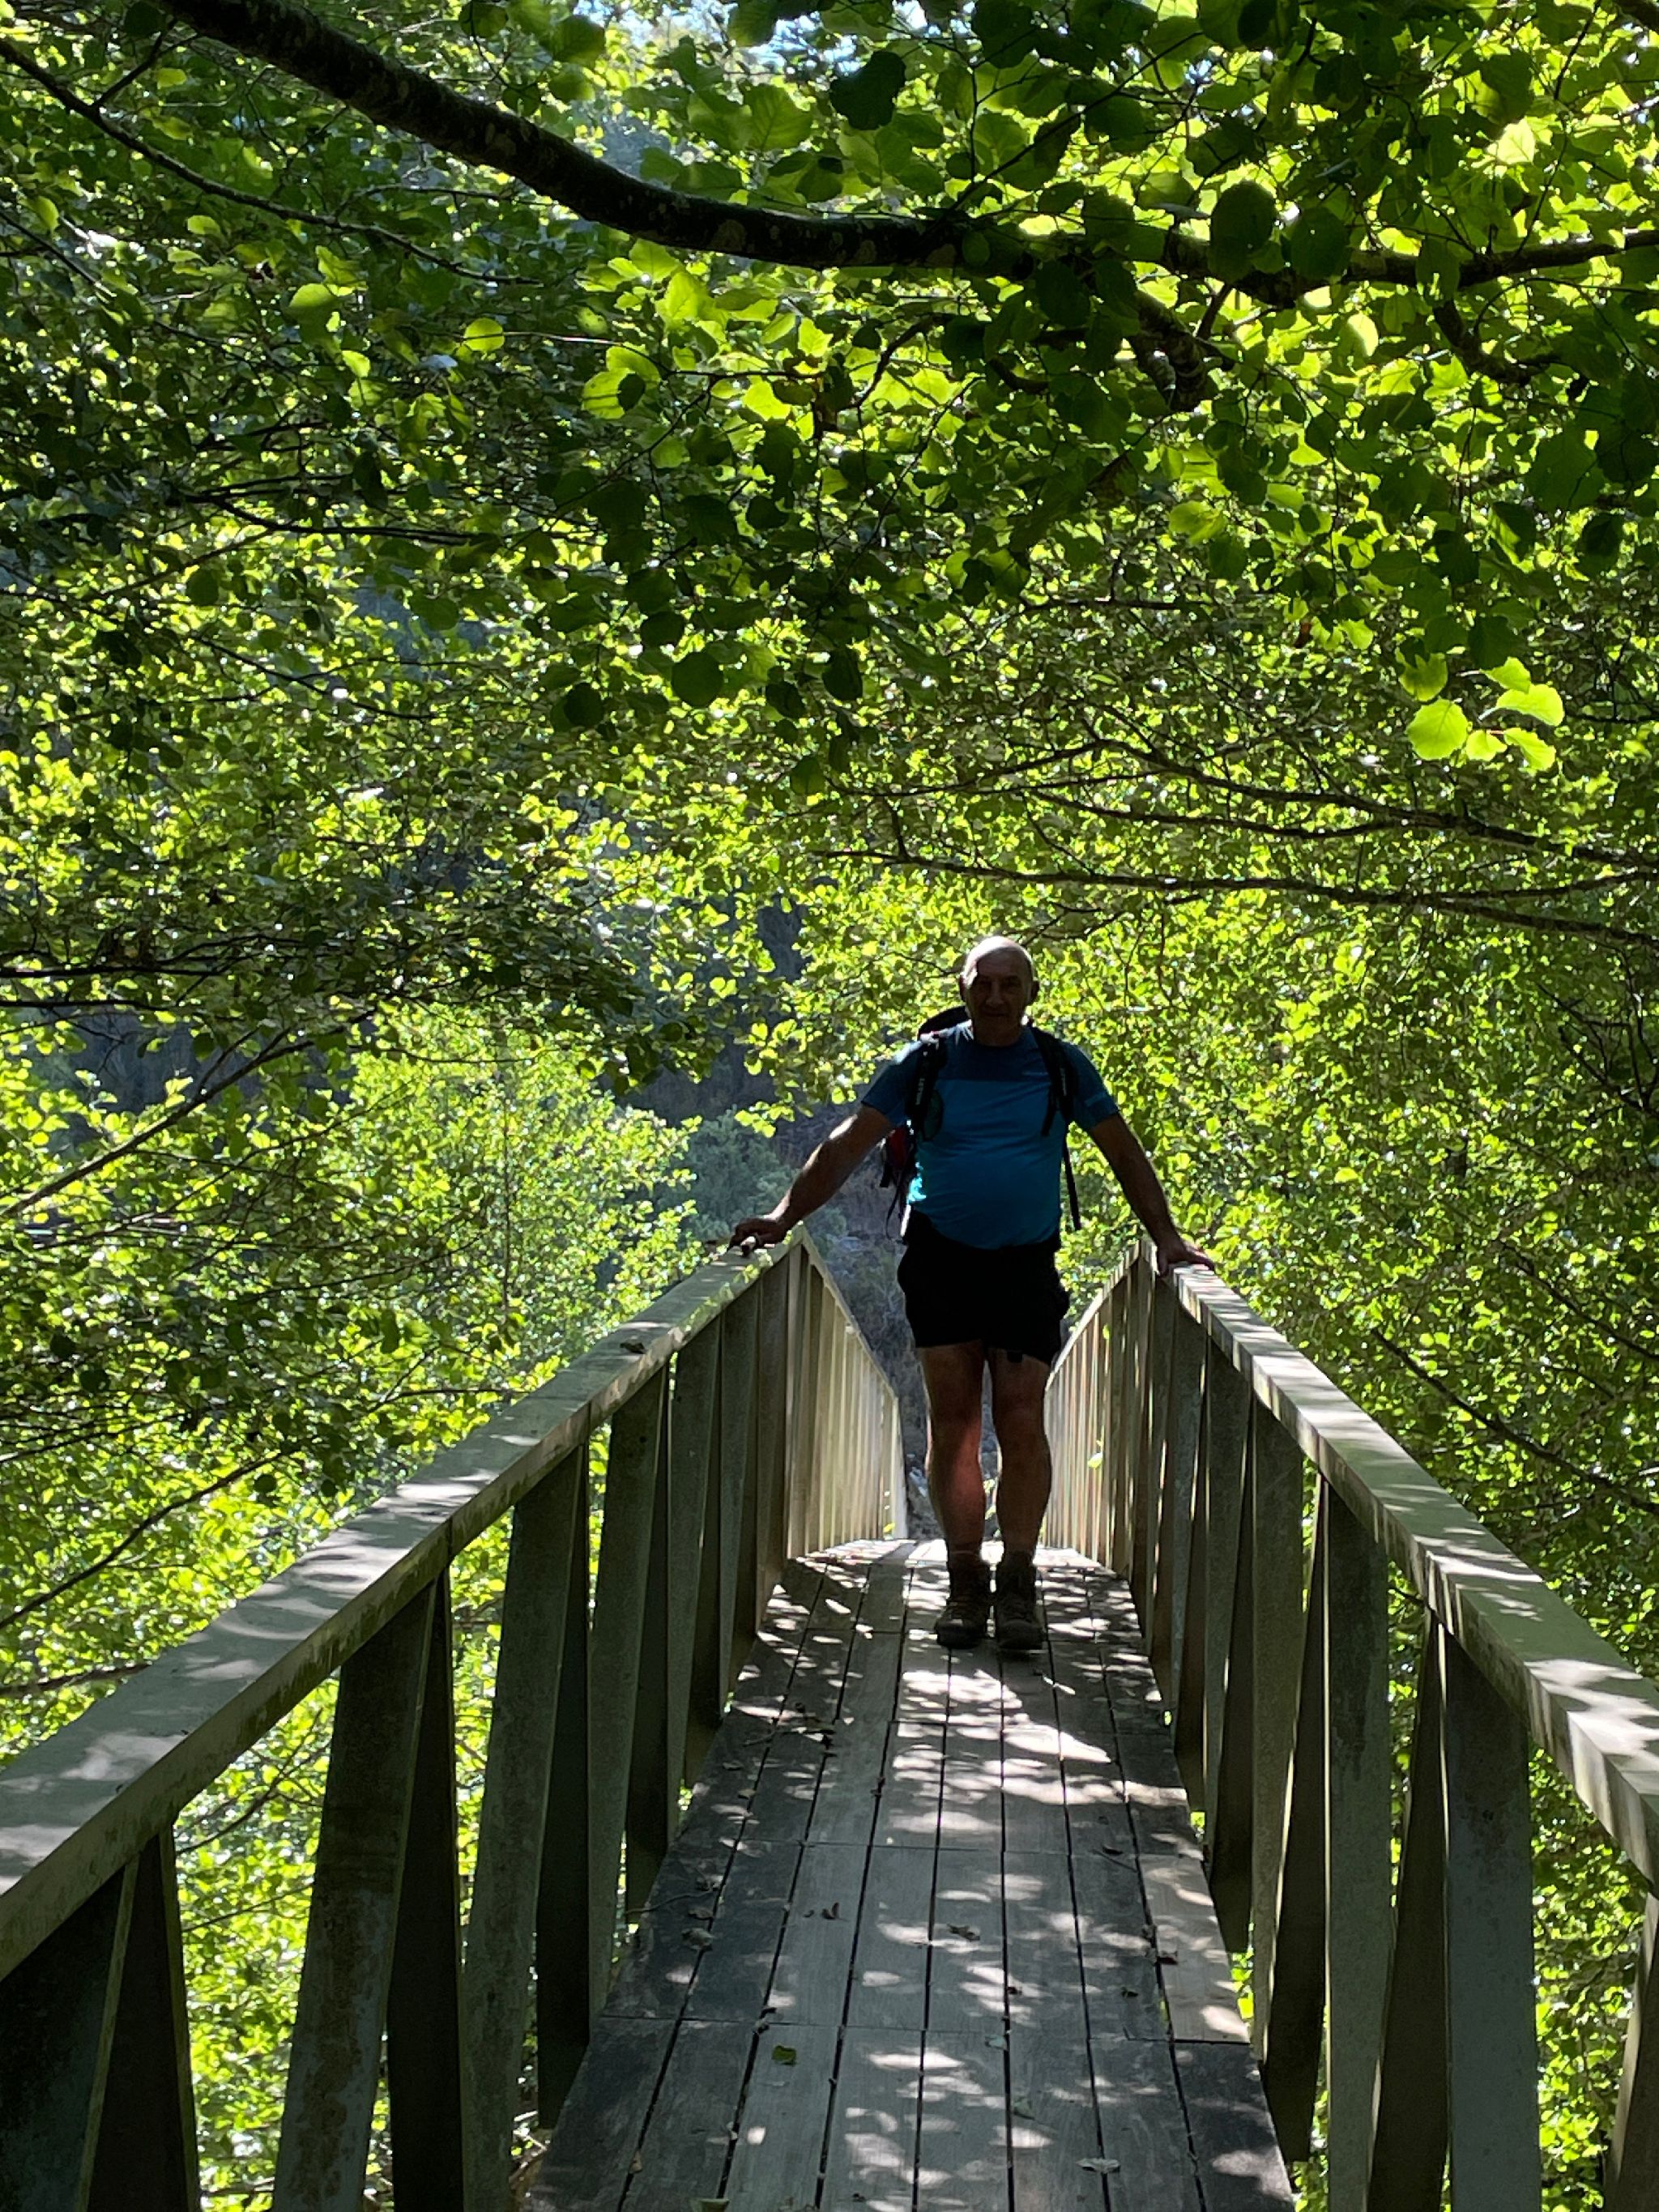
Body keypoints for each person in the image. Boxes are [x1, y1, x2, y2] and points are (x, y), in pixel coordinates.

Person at [729, 936, 1210, 1654]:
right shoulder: (924, 1063)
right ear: (962, 989)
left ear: (1031, 992)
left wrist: (1166, 1237)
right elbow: (847, 1144)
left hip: (1024, 1266)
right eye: (982, 983)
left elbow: (1122, 1150)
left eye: (1009, 984)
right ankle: (964, 1580)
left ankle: (1016, 1577)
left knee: (1021, 1418)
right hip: (942, 1262)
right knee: (953, 1424)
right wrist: (781, 1217)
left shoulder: (1060, 1064)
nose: (995, 996)